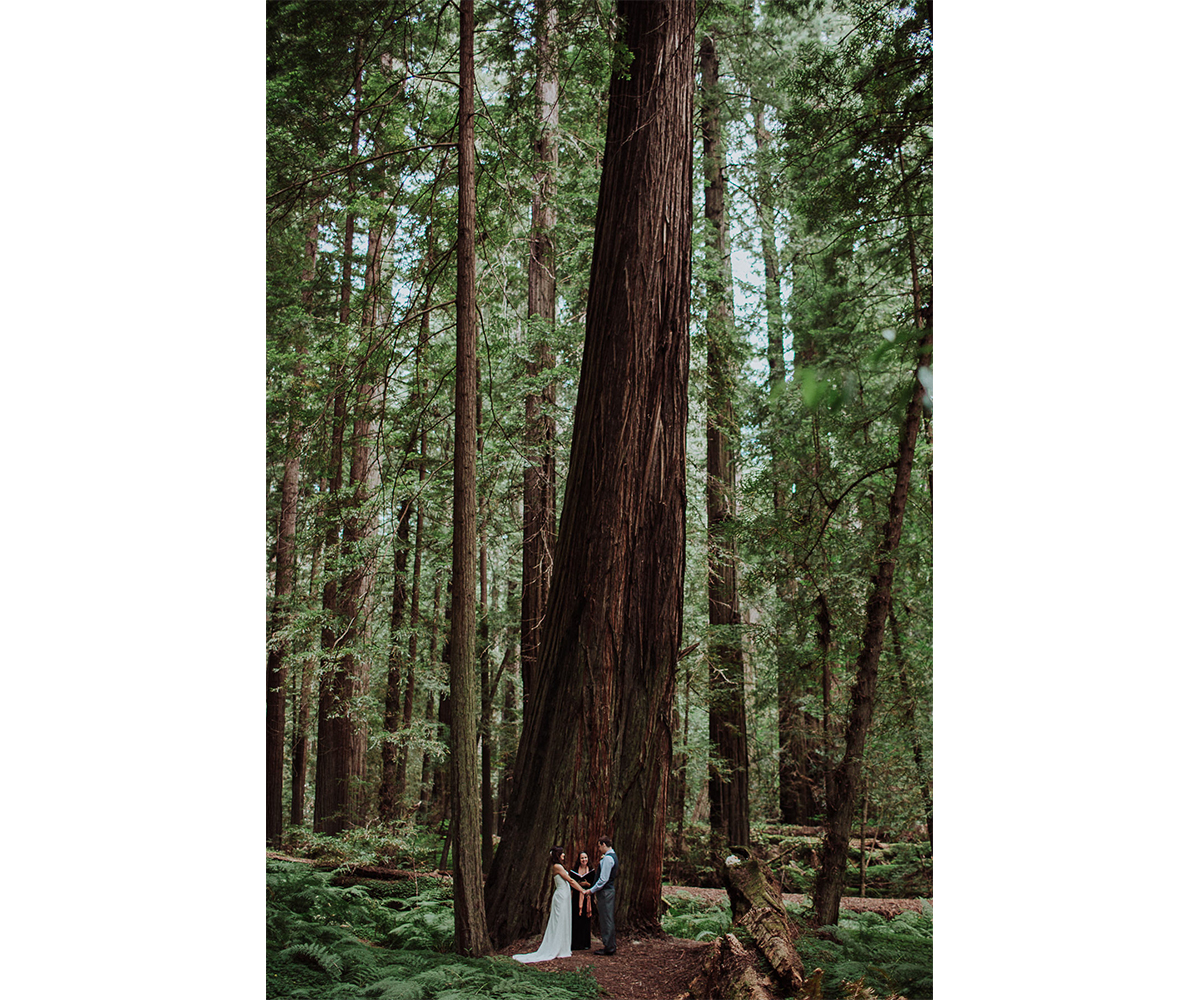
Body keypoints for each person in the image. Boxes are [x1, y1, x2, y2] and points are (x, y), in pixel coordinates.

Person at [513, 847, 588, 963]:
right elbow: (571, 880)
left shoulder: (559, 866)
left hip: (565, 896)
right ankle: (555, 946)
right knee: (558, 920)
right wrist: (582, 890)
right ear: (557, 855)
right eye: (562, 853)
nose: (564, 855)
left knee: (564, 920)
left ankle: (563, 946)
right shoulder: (557, 867)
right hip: (561, 897)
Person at [584, 835, 618, 955]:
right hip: (606, 891)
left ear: (604, 845)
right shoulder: (609, 857)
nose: (599, 849)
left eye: (599, 846)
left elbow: (603, 879)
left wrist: (591, 890)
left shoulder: (608, 859)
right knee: (606, 918)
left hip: (605, 892)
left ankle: (609, 947)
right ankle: (610, 945)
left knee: (606, 918)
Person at [570, 850, 598, 950]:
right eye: (582, 858)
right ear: (579, 859)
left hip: (587, 897)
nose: (584, 860)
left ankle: (586, 943)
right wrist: (579, 885)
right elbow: (571, 884)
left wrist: (588, 885)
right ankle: (576, 943)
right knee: (576, 919)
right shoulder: (574, 870)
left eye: (585, 858)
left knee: (586, 919)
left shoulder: (591, 870)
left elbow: (595, 883)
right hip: (577, 897)